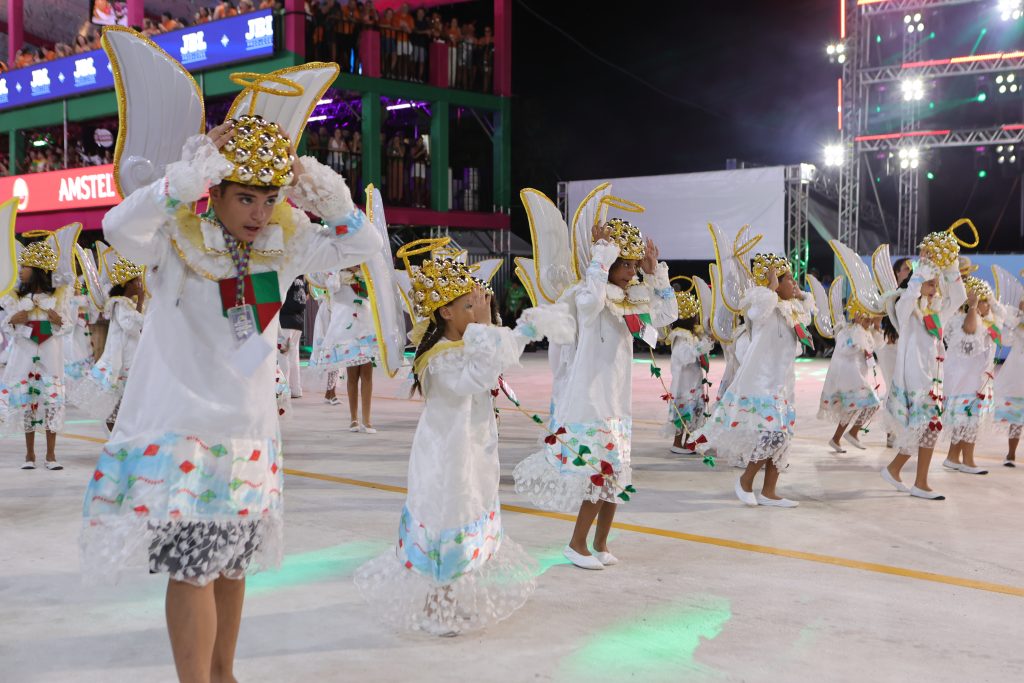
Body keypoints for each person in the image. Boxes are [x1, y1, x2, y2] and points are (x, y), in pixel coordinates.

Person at [80, 97, 381, 683]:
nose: (260, 212)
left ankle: (225, 675)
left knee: (232, 567)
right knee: (192, 569)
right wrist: (180, 180)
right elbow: (117, 226)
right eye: (246, 196)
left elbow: (361, 248)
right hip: (182, 433)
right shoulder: (173, 237)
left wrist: (330, 199)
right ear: (214, 191)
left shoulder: (285, 244)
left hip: (248, 434)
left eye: (270, 198)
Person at [355, 240, 572, 635]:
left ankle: (451, 599)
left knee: (470, 514)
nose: (477, 312)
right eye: (468, 305)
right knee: (447, 521)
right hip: (447, 457)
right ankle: (434, 609)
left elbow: (496, 357)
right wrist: (493, 327)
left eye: (477, 303)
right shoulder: (440, 357)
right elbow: (481, 375)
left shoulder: (461, 344)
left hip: (471, 449)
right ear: (445, 311)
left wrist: (522, 329)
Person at [514, 219, 676, 569]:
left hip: (617, 401)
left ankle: (601, 543)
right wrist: (601, 255)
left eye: (634, 265)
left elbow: (666, 314)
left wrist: (654, 273)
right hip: (591, 399)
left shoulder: (632, 299)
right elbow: (590, 304)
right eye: (625, 263)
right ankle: (576, 544)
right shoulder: (586, 294)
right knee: (600, 472)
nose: (630, 272)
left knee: (617, 474)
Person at [701, 254, 814, 508]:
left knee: (783, 437)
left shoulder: (789, 310)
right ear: (772, 282)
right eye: (788, 279)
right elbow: (756, 310)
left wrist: (801, 296)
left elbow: (806, 317)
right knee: (773, 434)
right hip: (760, 384)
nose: (793, 283)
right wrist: (771, 289)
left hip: (781, 384)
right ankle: (745, 480)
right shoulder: (764, 307)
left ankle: (769, 491)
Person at [881, 232, 967, 500]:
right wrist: (922, 268)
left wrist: (950, 265)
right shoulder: (907, 309)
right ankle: (912, 479)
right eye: (930, 282)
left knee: (927, 428)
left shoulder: (937, 312)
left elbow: (960, 297)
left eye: (935, 282)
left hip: (932, 379)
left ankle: (905, 475)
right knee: (925, 426)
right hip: (915, 379)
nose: (934, 286)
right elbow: (909, 294)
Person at [1, 241, 71, 470]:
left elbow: (69, 324)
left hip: (51, 357)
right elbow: (6, 325)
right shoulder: (15, 298)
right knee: (28, 401)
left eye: (25, 266)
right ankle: (29, 455)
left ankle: (51, 456)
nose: (20, 270)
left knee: (52, 402)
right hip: (24, 356)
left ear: (38, 269)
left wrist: (58, 320)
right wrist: (13, 320)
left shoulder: (60, 296)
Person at [69, 257, 146, 432]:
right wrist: (141, 303)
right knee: (116, 404)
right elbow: (131, 327)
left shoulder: (125, 304)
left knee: (126, 403)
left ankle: (121, 438)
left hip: (129, 358)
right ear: (128, 284)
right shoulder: (120, 304)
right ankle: (116, 439)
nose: (140, 286)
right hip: (122, 360)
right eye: (137, 282)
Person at [942, 274, 1002, 475]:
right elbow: (969, 333)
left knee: (964, 421)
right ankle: (967, 460)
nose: (987, 305)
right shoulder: (962, 319)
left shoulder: (984, 321)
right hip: (964, 380)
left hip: (973, 379)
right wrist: (974, 307)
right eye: (984, 300)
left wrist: (989, 306)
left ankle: (953, 457)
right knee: (968, 420)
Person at [310, 266, 379, 431]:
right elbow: (330, 286)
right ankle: (354, 419)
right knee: (352, 375)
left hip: (366, 325)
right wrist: (334, 271)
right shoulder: (337, 275)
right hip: (346, 328)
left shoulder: (368, 273)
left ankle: (367, 420)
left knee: (367, 375)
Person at [818, 303, 882, 453]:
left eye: (871, 319)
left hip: (858, 375)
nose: (870, 322)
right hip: (848, 376)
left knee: (851, 409)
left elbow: (876, 345)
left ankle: (836, 439)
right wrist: (857, 331)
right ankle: (853, 433)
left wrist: (877, 326)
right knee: (873, 404)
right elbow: (846, 349)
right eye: (867, 319)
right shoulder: (846, 331)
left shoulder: (866, 331)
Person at [665, 291, 713, 454]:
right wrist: (702, 347)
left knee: (693, 413)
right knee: (684, 412)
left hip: (692, 381)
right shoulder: (681, 337)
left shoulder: (689, 336)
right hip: (684, 385)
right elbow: (685, 356)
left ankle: (688, 442)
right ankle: (678, 443)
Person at [279, 276, 307, 399]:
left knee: (282, 355)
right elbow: (306, 297)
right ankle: (296, 388)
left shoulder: (287, 272)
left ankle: (282, 390)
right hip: (298, 321)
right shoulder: (301, 277)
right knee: (293, 356)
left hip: (285, 320)